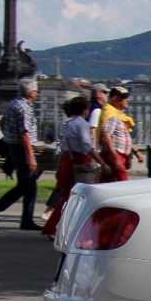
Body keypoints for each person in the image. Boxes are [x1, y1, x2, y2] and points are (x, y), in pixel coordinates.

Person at [42, 96, 105, 238]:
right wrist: (102, 162)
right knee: (87, 196)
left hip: (68, 160)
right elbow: (86, 147)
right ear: (85, 110)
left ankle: (51, 226)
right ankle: (87, 229)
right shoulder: (82, 125)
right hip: (80, 161)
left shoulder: (68, 123)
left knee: (66, 197)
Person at [0, 79, 40, 230]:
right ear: (31, 93)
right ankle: (24, 219)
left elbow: (3, 122)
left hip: (14, 147)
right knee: (30, 186)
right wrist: (31, 156)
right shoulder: (24, 108)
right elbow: (25, 134)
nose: (37, 93)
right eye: (36, 90)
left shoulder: (14, 103)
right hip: (21, 149)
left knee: (25, 186)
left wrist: (8, 136)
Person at [98, 86, 135, 181]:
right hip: (115, 155)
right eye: (124, 97)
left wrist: (135, 151)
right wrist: (116, 158)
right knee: (122, 184)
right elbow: (106, 136)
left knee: (108, 183)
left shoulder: (118, 115)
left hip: (116, 155)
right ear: (115, 99)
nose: (128, 100)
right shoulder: (112, 115)